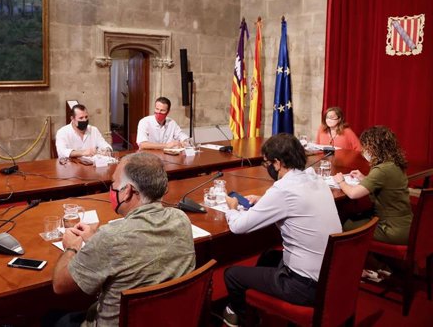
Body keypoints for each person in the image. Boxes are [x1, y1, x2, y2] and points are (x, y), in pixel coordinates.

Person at [51, 152, 196, 326]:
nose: (111, 189)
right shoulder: (181, 219)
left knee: (54, 318)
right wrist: (96, 239)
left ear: (127, 192)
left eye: (114, 183)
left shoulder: (111, 236)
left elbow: (60, 285)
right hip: (166, 320)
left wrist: (71, 248)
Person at [222, 133, 342, 327]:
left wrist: (232, 208)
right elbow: (298, 205)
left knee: (232, 275)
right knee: (268, 257)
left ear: (277, 163)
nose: (267, 167)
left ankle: (240, 318)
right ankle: (255, 311)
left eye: (266, 163)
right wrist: (264, 202)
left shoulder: (283, 189)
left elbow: (238, 227)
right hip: (331, 276)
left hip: (304, 286)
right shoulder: (316, 180)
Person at [334, 126, 412, 245]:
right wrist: (364, 178)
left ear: (374, 148)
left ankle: (371, 262)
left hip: (391, 229)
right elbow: (385, 184)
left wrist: (341, 181)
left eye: (365, 147)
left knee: (346, 224)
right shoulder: (395, 164)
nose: (363, 151)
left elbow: (353, 194)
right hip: (406, 224)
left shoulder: (381, 170)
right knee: (357, 215)